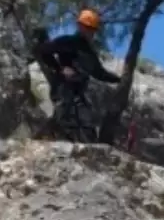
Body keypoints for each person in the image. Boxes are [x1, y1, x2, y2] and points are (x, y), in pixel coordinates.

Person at [31, 9, 122, 140]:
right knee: (65, 120)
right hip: (64, 88)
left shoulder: (89, 52)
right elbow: (43, 51)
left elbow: (99, 73)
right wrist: (60, 68)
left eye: (93, 29)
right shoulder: (68, 42)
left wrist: (119, 79)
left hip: (79, 93)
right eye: (88, 27)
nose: (91, 32)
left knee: (87, 126)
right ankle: (44, 139)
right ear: (80, 26)